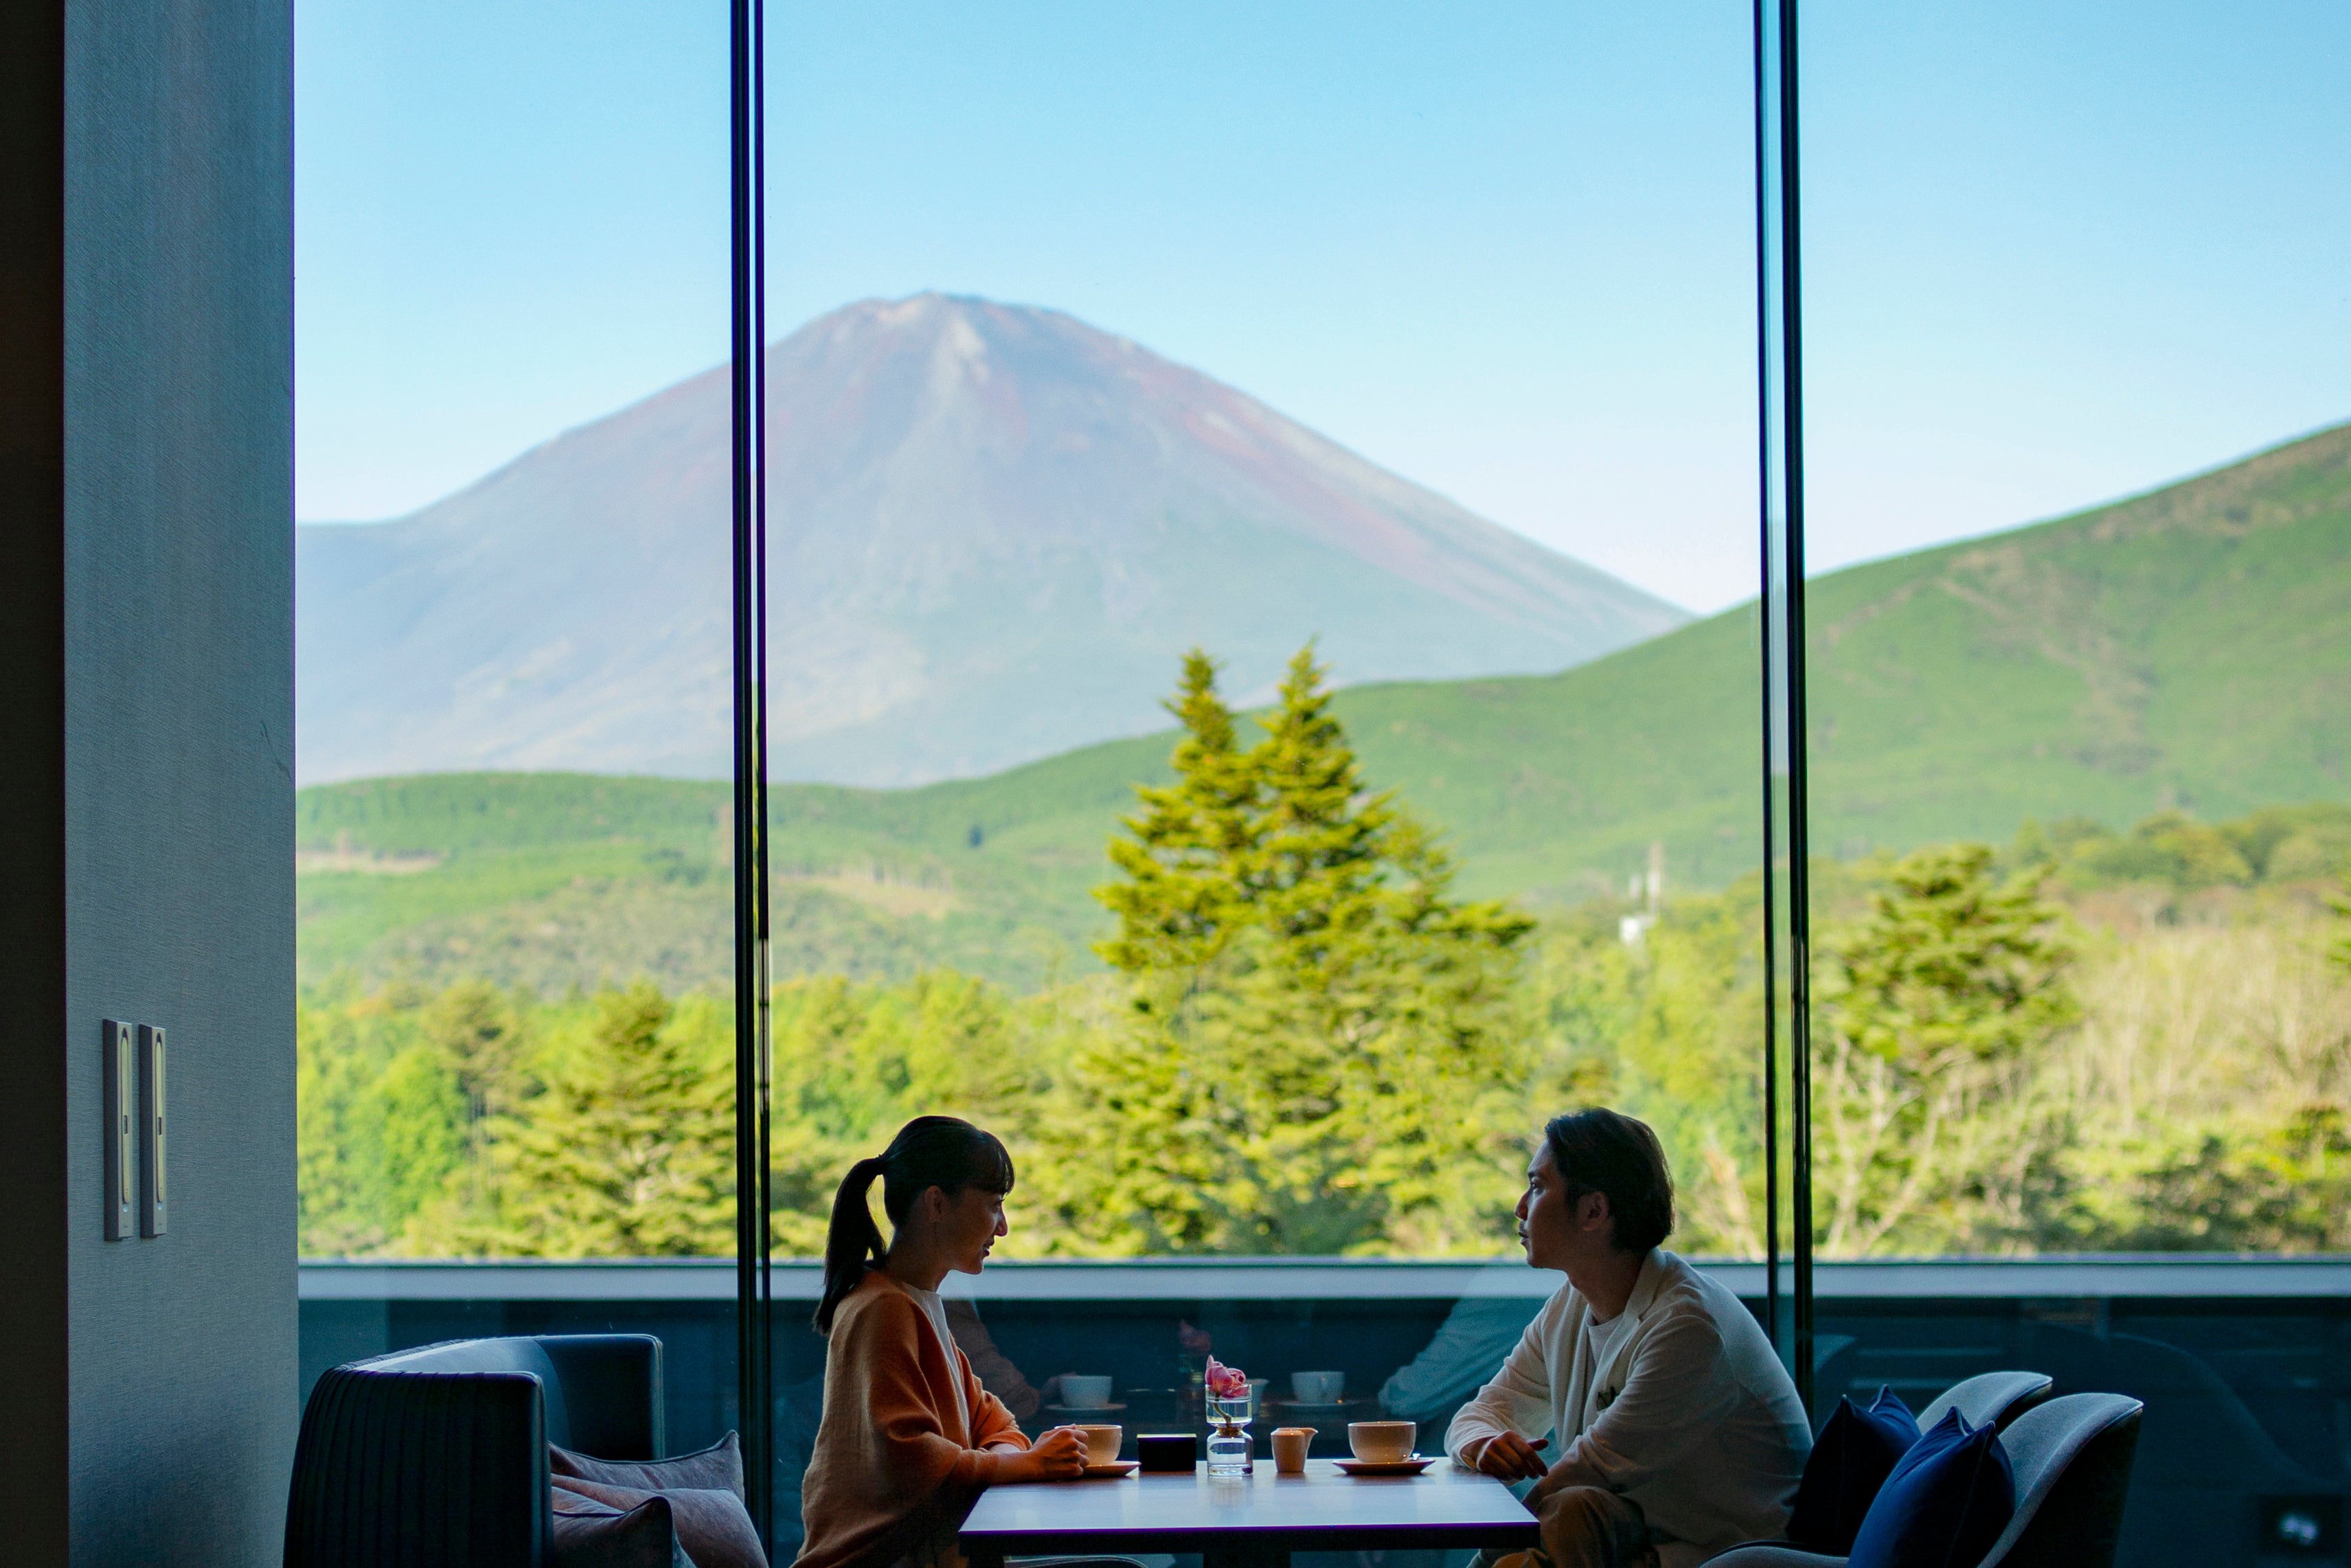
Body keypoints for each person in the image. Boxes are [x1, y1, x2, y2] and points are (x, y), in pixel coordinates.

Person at [1446, 1109, 1810, 1568]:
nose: (1520, 1206)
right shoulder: (1572, 1302)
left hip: (1725, 1551)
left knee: (1568, 1507)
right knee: (1572, 1508)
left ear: (1593, 1210)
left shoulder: (1687, 1325)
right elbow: (1484, 1410)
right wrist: (1481, 1442)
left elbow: (1596, 1463)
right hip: (1644, 1532)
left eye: (1537, 1187)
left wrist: (1490, 1545)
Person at [797, 1116, 1089, 1568]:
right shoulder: (884, 1308)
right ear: (936, 1203)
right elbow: (911, 1456)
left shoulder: (917, 1302)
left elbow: (995, 1420)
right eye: (994, 1204)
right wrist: (1024, 1464)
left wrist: (1010, 1459)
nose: (1003, 1226)